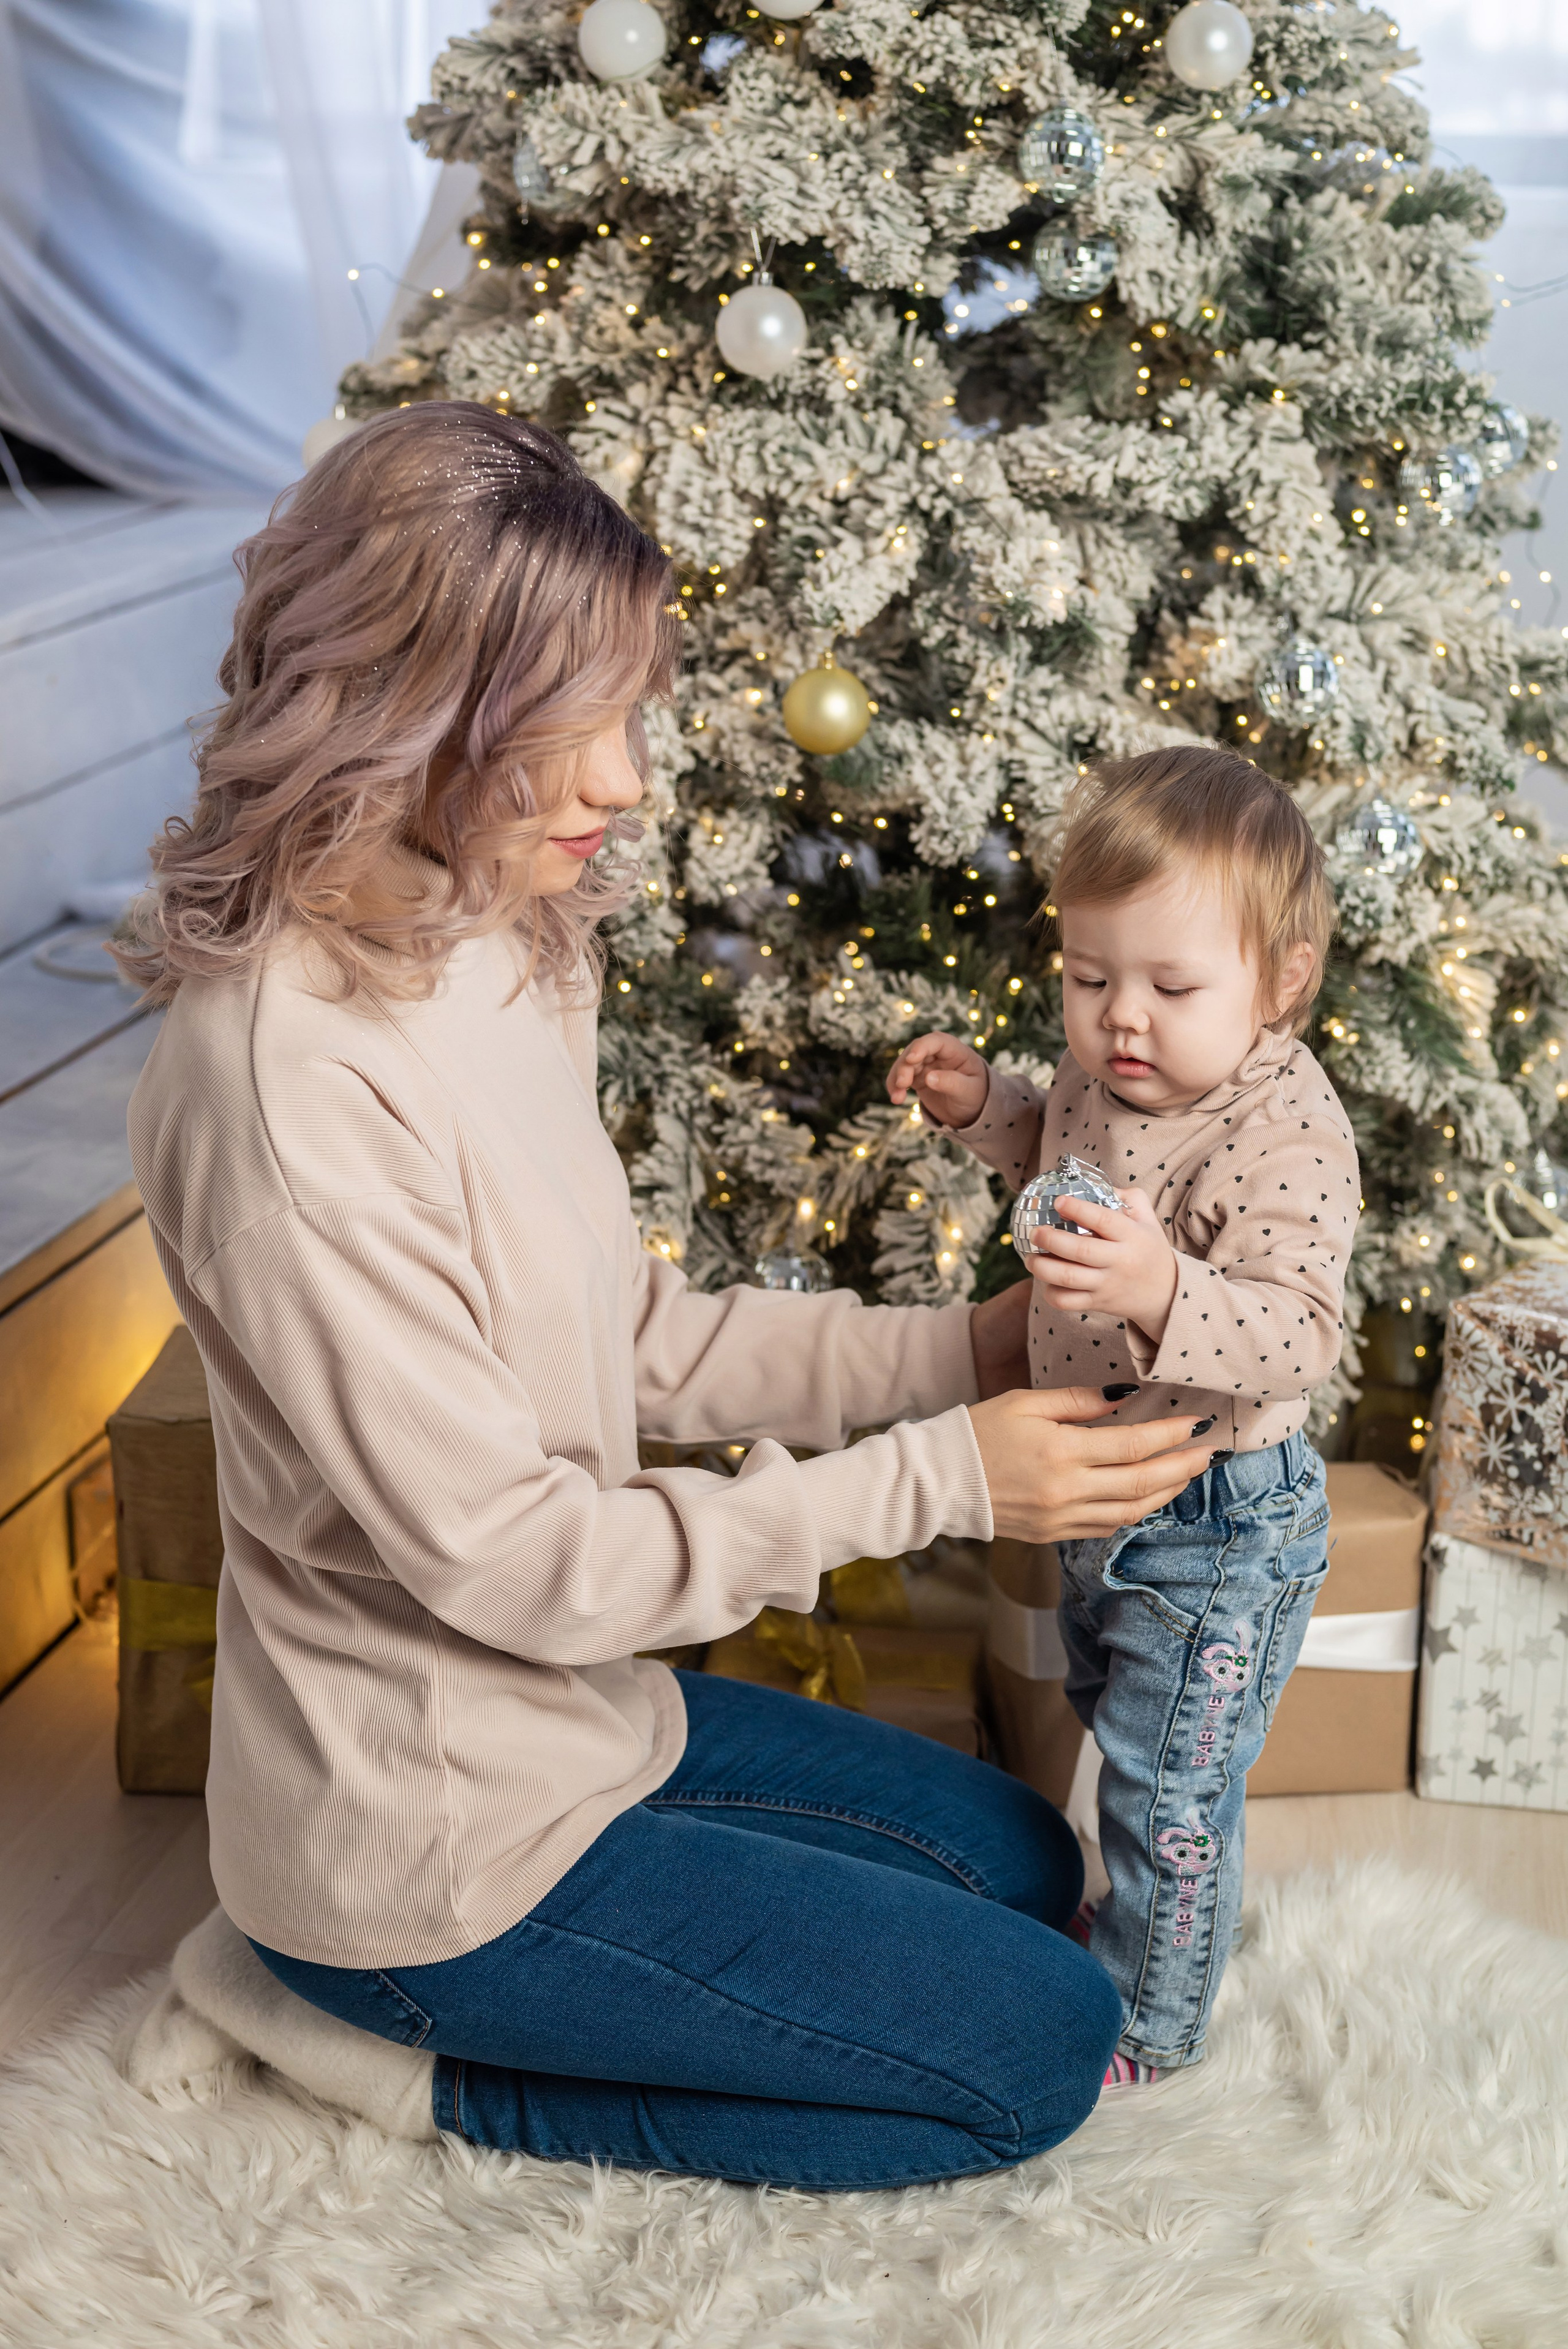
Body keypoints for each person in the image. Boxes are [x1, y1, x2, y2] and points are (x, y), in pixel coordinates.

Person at [119, 403, 1223, 2190]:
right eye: (575, 731)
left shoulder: (489, 931)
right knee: (1033, 2053)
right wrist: (947, 1475)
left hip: (580, 1724)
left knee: (1027, 1866)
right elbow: (513, 1556)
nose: (628, 782)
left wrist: (961, 1351)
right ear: (413, 713)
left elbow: (630, 1340)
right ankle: (346, 2034)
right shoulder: (278, 1093)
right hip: (432, 1861)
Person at [889, 746, 1357, 2083]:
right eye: (1087, 981)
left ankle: (1148, 2027)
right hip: (1104, 1489)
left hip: (1218, 1523)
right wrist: (989, 1108)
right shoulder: (1111, 1073)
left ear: (1279, 980)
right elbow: (1056, 1151)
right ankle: (1149, 1935)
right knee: (1113, 1731)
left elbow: (1297, 1331)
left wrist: (1161, 1287)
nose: (1118, 1021)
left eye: (1166, 986)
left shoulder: (1286, 1135)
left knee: (1170, 1793)